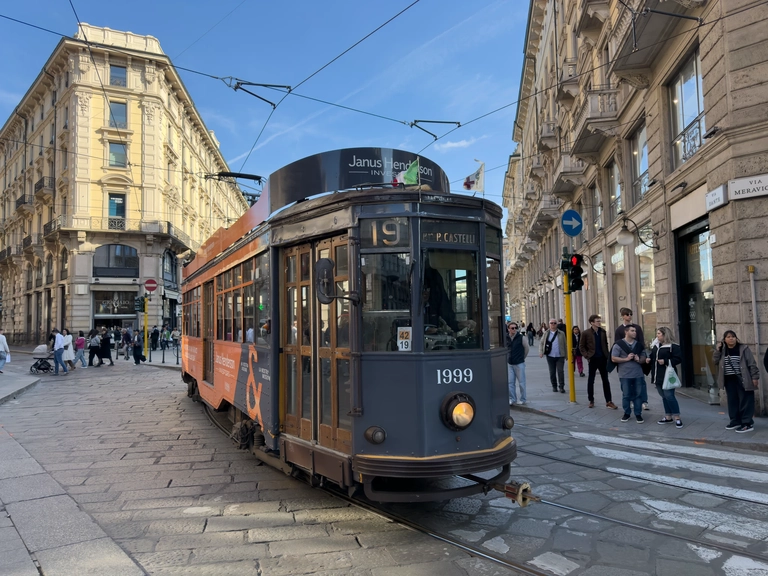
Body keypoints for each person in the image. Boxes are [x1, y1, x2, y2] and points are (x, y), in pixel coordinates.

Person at [714, 330, 760, 433]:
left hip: (742, 378)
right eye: (728, 337)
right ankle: (735, 421)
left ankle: (747, 423)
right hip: (729, 379)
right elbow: (715, 361)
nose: (731, 338)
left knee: (745, 400)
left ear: (736, 338)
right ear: (724, 340)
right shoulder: (723, 350)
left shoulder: (743, 349)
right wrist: (718, 350)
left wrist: (755, 377)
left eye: (733, 336)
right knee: (732, 401)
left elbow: (752, 364)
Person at [646, 327, 683, 428]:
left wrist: (666, 361)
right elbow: (653, 356)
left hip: (668, 374)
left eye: (659, 334)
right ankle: (668, 416)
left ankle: (677, 417)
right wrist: (649, 359)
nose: (657, 336)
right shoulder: (656, 345)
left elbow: (678, 359)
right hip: (657, 375)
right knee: (663, 396)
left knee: (669, 396)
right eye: (657, 333)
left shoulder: (673, 346)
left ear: (665, 334)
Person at [579, 315, 618, 409]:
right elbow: (581, 346)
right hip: (592, 358)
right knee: (591, 380)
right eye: (597, 321)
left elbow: (605, 344)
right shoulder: (586, 333)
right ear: (592, 322)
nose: (599, 323)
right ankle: (591, 400)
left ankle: (608, 401)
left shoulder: (602, 332)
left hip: (603, 358)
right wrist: (587, 356)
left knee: (605, 380)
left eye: (599, 321)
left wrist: (607, 355)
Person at [614, 308, 649, 411]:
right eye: (627, 314)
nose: (629, 316)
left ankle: (644, 401)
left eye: (631, 314)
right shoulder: (619, 330)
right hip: (625, 360)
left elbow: (641, 341)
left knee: (641, 381)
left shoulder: (637, 327)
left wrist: (640, 356)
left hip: (638, 358)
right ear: (623, 316)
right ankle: (630, 400)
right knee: (626, 383)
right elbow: (617, 344)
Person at [612, 325, 647, 423]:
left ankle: (638, 414)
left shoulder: (639, 345)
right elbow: (613, 358)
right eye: (632, 331)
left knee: (638, 394)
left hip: (638, 374)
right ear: (626, 332)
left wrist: (639, 360)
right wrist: (626, 359)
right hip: (625, 374)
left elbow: (644, 357)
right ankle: (626, 413)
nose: (635, 332)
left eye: (635, 331)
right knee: (626, 395)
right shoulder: (618, 344)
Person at [540, 319, 566, 393]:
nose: (553, 324)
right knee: (552, 372)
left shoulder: (561, 333)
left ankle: (561, 386)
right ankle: (554, 386)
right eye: (551, 323)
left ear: (557, 324)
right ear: (549, 324)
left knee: (560, 371)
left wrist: (566, 355)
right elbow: (541, 343)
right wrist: (541, 352)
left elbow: (565, 344)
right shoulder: (546, 333)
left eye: (555, 323)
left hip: (560, 356)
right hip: (550, 356)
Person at [506, 322, 529, 405]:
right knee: (510, 383)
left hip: (519, 363)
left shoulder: (521, 337)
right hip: (510, 363)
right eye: (512, 328)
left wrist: (522, 358)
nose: (514, 329)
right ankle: (512, 399)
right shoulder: (506, 337)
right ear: (508, 329)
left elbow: (526, 348)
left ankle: (523, 399)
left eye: (515, 328)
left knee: (522, 382)